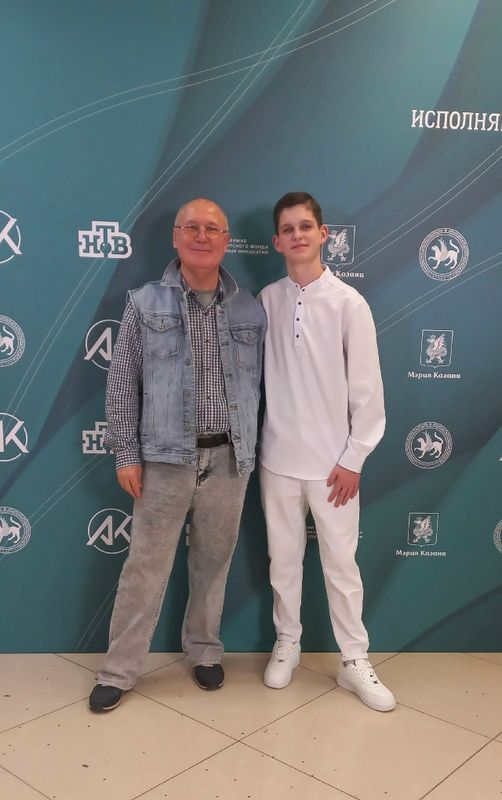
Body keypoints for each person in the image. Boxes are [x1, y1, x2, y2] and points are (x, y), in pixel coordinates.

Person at [89, 198, 266, 711]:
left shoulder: (251, 309)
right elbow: (123, 382)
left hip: (230, 460)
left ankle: (205, 650)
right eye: (192, 227)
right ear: (175, 236)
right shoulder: (144, 303)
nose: (202, 236)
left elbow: (265, 386)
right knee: (145, 566)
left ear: (226, 240)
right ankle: (119, 670)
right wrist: (126, 453)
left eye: (212, 228)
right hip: (164, 460)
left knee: (214, 562)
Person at [258, 192, 395, 712]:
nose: (297, 235)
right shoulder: (266, 301)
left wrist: (354, 457)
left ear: (323, 234)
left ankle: (354, 659)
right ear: (276, 241)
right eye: (287, 228)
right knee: (283, 562)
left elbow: (368, 391)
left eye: (305, 226)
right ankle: (287, 643)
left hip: (334, 468)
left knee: (341, 566)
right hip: (276, 462)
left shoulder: (348, 303)